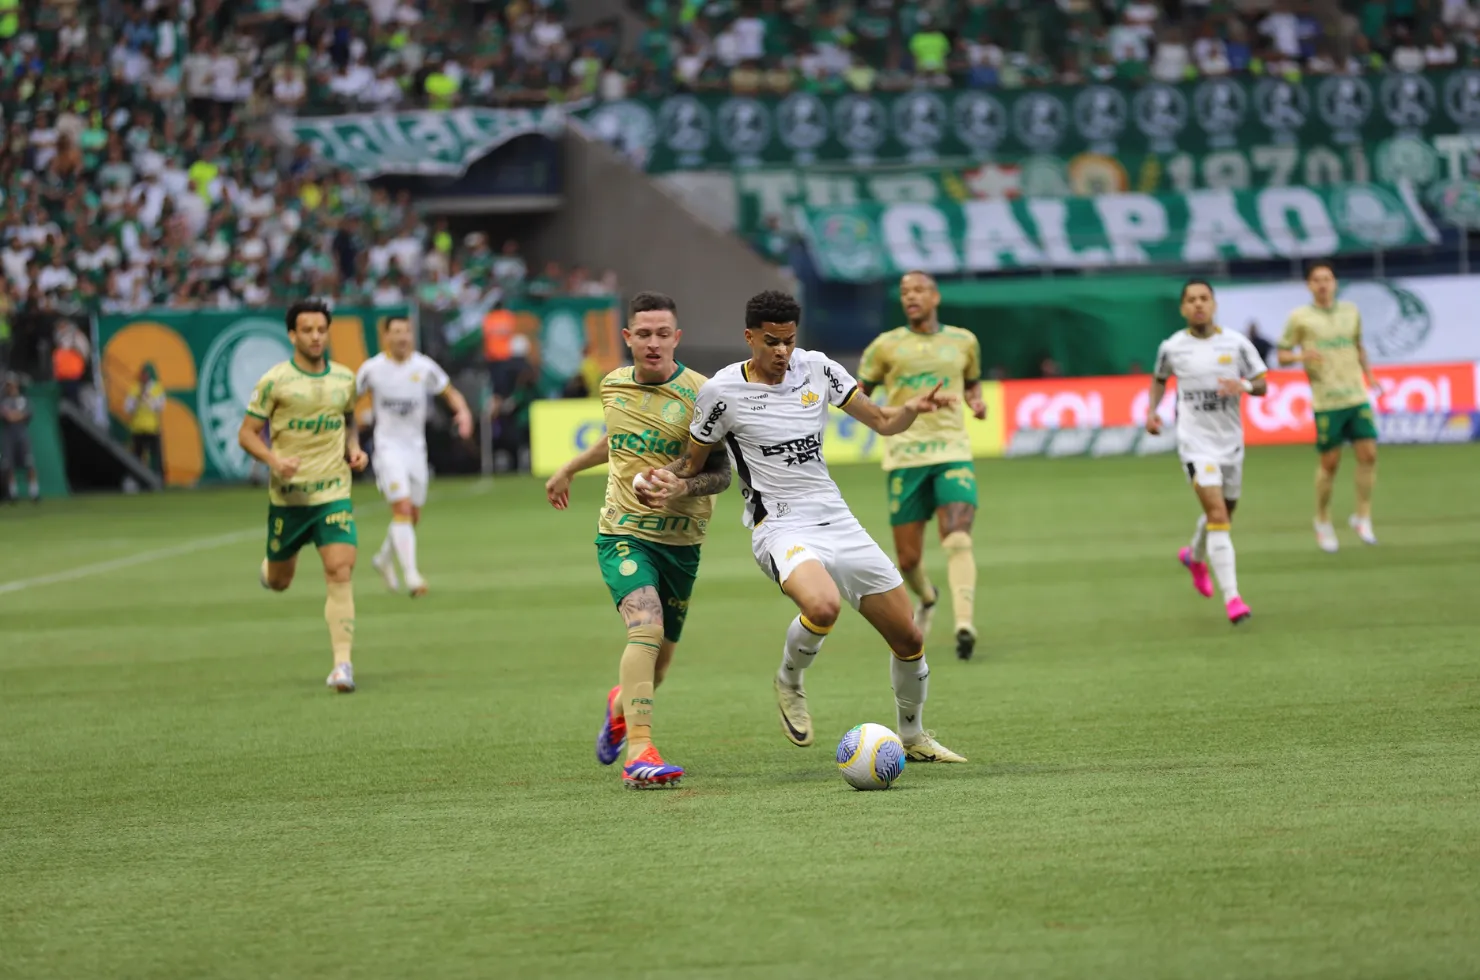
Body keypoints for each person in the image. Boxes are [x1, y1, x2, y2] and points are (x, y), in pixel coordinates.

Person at [640, 290, 966, 764]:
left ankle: (913, 738)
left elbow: (882, 422)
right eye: (771, 341)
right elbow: (694, 464)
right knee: (823, 604)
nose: (782, 352)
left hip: (837, 519)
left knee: (910, 638)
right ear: (750, 337)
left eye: (789, 341)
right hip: (780, 526)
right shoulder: (721, 392)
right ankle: (789, 680)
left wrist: (911, 409)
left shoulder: (818, 368)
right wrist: (669, 481)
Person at [543, 291, 731, 789]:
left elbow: (722, 471)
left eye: (661, 334)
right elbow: (616, 439)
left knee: (660, 664)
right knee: (644, 625)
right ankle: (640, 752)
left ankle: (618, 705)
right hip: (622, 533)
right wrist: (569, 469)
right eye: (642, 334)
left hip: (683, 543)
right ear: (628, 338)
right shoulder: (611, 386)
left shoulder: (702, 393)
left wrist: (682, 486)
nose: (652, 343)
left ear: (677, 338)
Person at [237, 299, 369, 693]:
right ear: (292, 335)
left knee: (340, 570)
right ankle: (269, 570)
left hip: (333, 492)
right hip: (289, 500)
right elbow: (246, 434)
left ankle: (342, 664)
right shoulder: (274, 381)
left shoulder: (345, 379)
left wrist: (353, 449)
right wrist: (273, 460)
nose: (315, 337)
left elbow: (348, 421)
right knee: (280, 581)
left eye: (321, 330)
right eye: (307, 330)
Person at [857, 271, 988, 661]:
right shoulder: (885, 346)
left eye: (918, 291)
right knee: (909, 560)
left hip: (952, 451)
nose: (910, 297)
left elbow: (972, 383)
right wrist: (893, 414)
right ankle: (929, 597)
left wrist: (975, 401)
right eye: (904, 292)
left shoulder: (964, 341)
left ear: (935, 297)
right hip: (905, 456)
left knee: (959, 538)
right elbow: (858, 397)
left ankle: (965, 624)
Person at [1146, 280, 1268, 626]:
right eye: (1191, 300)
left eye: (1204, 298)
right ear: (1183, 308)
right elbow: (1159, 378)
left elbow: (1262, 383)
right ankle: (1234, 599)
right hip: (1195, 444)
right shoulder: (1172, 347)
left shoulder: (1237, 343)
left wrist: (1242, 385)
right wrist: (1152, 411)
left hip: (1230, 443)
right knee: (1217, 512)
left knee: (1223, 515)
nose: (1198, 305)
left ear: (1214, 304)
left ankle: (1194, 556)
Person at [356, 316, 473, 598]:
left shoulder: (423, 366)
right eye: (396, 332)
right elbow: (349, 400)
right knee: (403, 509)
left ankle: (384, 559)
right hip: (387, 449)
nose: (402, 337)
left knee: (412, 515)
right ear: (386, 337)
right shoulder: (372, 369)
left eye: (406, 331)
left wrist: (464, 412)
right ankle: (412, 576)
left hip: (416, 450)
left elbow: (449, 392)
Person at [1277, 261, 1379, 552]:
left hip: (1356, 395)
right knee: (1330, 464)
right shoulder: (1300, 318)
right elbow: (1282, 354)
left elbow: (1358, 345)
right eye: (1317, 280)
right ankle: (1322, 519)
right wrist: (1301, 356)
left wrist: (1369, 376)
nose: (1323, 284)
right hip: (1326, 399)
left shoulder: (1351, 312)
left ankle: (1363, 516)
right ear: (1309, 285)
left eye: (1328, 279)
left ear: (1334, 283)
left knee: (1369, 455)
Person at [0, 375, 39, 503]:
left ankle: (34, 493)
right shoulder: (4, 401)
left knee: (29, 463)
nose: (12, 388)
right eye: (9, 385)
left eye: (13, 385)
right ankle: (13, 494)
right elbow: (8, 416)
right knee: (8, 465)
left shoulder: (24, 400)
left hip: (22, 435)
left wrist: (15, 415)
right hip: (8, 436)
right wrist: (16, 415)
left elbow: (25, 414)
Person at [124, 364, 166, 476]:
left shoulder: (156, 388)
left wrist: (148, 398)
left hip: (152, 428)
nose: (144, 377)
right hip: (137, 428)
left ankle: (159, 479)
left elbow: (161, 406)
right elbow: (127, 407)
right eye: (142, 375)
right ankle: (138, 480)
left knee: (156, 457)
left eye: (146, 375)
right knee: (137, 457)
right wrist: (138, 398)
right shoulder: (135, 388)